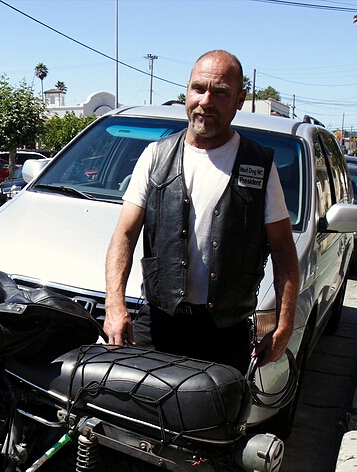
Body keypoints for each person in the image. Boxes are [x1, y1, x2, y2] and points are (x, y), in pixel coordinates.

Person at [103, 50, 299, 373]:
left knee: (214, 422)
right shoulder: (155, 157)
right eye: (198, 88)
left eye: (220, 92)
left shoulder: (260, 166)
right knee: (140, 419)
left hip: (224, 335)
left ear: (240, 99)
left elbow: (282, 249)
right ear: (187, 91)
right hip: (157, 326)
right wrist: (114, 304)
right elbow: (124, 234)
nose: (206, 100)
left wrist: (284, 324)